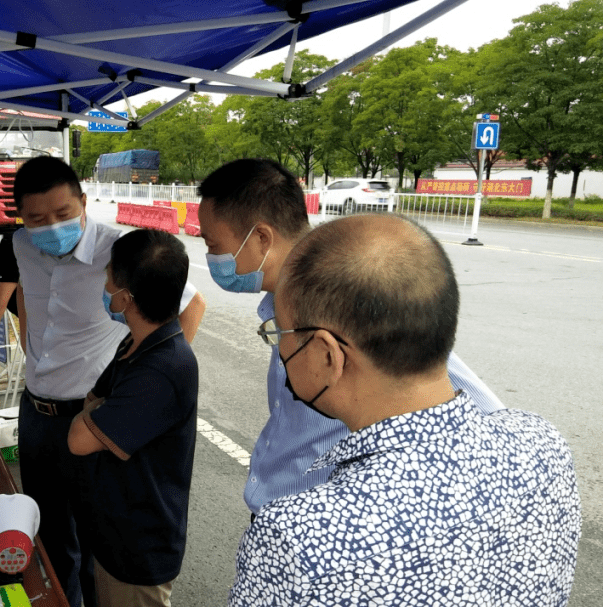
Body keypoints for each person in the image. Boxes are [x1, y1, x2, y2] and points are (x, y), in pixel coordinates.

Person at [229, 214, 581, 604]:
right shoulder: (544, 445)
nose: (278, 349)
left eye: (279, 334)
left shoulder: (298, 537)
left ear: (326, 353)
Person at [196, 158, 505, 520]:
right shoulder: (281, 305)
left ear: (262, 237)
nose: (211, 257)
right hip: (279, 512)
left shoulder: (348, 299)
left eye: (214, 245)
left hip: (325, 527)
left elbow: (482, 412)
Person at [11, 156, 206, 607]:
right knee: (50, 536)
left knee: (96, 540)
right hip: (36, 412)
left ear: (82, 202)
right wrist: (34, 353)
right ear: (21, 217)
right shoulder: (21, 245)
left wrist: (149, 388)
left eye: (62, 214)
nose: (51, 226)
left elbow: (189, 308)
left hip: (93, 420)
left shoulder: (121, 254)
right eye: (37, 219)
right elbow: (23, 293)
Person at [67, 229, 199, 607]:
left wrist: (96, 413)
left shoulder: (162, 370)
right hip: (115, 532)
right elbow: (94, 401)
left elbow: (79, 436)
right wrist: (99, 411)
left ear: (125, 297)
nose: (105, 286)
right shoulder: (136, 343)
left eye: (109, 277)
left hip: (139, 550)